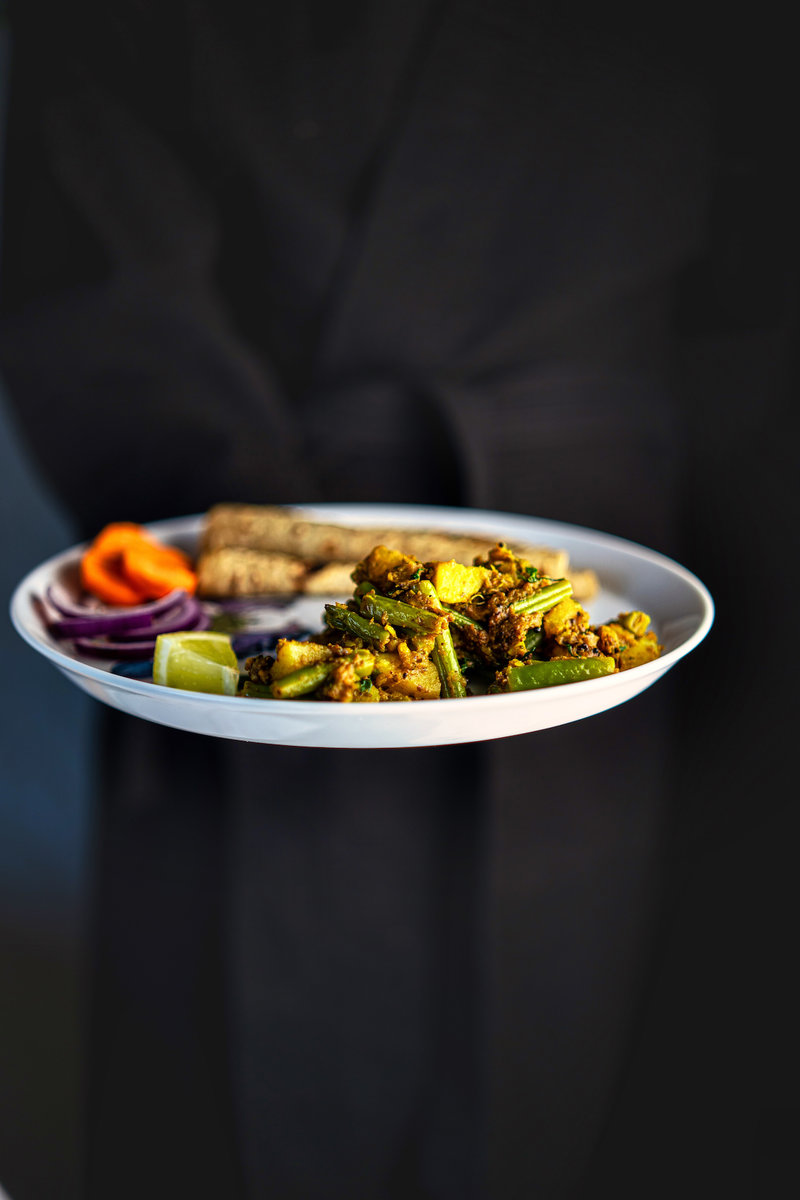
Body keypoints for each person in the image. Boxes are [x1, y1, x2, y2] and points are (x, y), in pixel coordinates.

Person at [2, 3, 795, 1197]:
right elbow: (79, 253)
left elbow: (752, 267)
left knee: (566, 1074)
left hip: (604, 555)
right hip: (220, 565)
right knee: (219, 1099)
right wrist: (275, 564)